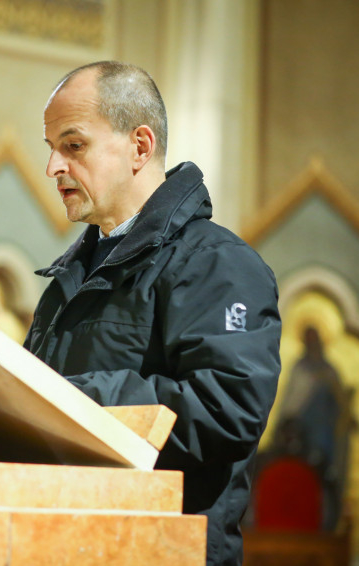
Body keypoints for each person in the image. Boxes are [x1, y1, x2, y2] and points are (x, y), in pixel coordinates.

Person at [23, 61, 282, 565]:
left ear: (140, 147)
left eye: (73, 145)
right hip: (63, 545)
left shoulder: (216, 264)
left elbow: (227, 410)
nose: (53, 166)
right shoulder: (69, 277)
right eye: (51, 147)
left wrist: (67, 400)